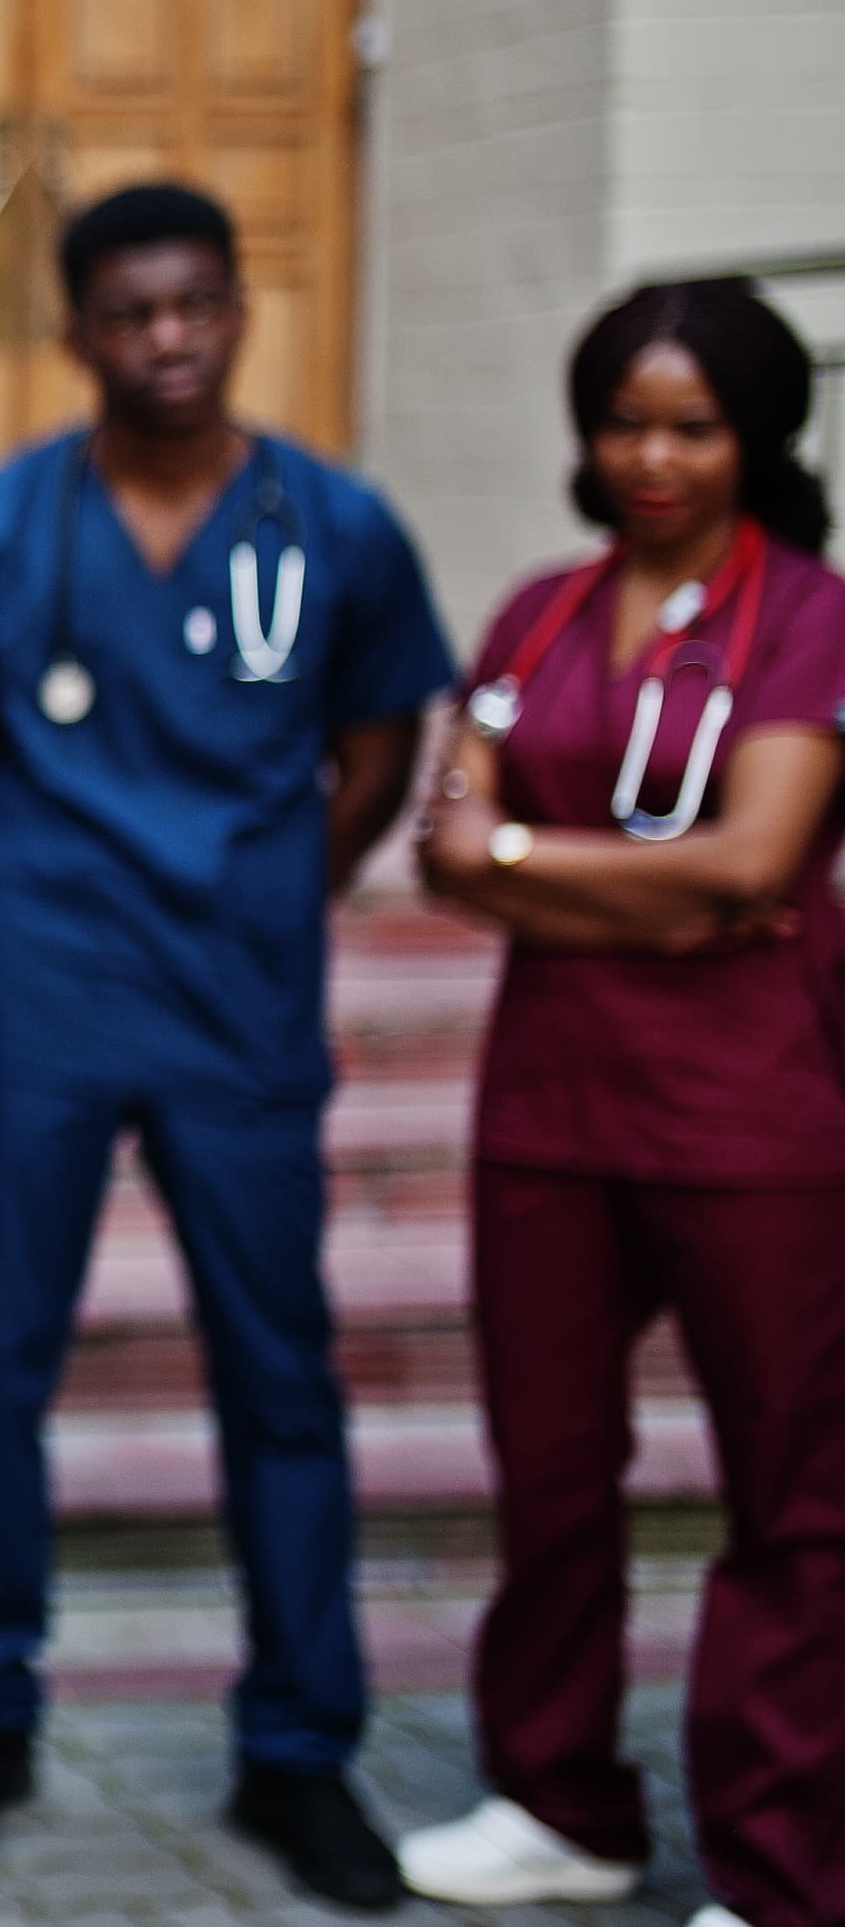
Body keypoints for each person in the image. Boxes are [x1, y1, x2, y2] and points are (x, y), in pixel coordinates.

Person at [0, 182, 451, 1906]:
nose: (171, 341)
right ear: (76, 334)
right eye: (132, 314)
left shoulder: (337, 528)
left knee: (282, 1378)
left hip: (238, 999)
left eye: (200, 304)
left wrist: (271, 894)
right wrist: (76, 892)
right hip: (53, 987)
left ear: (241, 309)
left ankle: (300, 1753)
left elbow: (375, 753)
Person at [397, 278, 845, 1927]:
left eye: (692, 425)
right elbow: (449, 851)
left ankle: (780, 1870)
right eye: (624, 422)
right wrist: (635, 883)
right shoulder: (536, 610)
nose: (652, 455)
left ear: (756, 436)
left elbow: (755, 861)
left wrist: (536, 859)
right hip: (552, 1112)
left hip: (757, 1122)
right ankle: (561, 1800)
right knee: (553, 1473)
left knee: (793, 1499)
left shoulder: (809, 615)